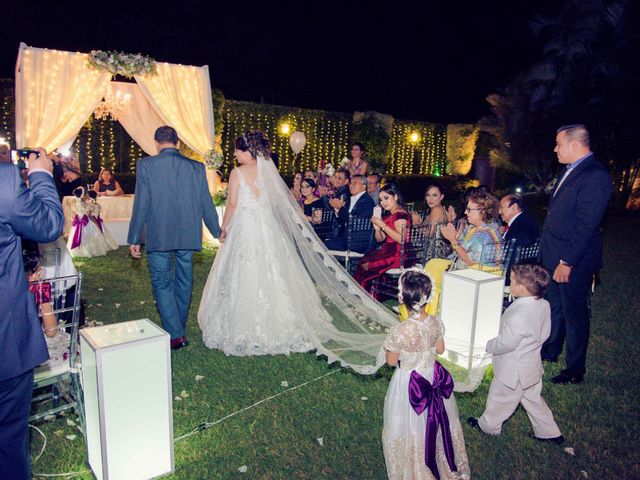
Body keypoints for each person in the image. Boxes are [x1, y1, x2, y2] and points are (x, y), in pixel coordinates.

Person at [197, 131, 397, 371]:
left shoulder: (237, 173)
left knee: (246, 270)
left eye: (238, 150)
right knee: (273, 270)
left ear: (249, 151)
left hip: (246, 227)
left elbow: (232, 204)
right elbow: (273, 203)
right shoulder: (266, 172)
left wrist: (224, 227)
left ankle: (248, 324)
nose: (235, 154)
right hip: (266, 228)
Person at [0, 147, 64, 480]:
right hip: (5, 342)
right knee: (10, 441)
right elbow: (50, 224)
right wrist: (40, 174)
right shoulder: (5, 182)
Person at [128, 126, 221, 350]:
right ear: (177, 143)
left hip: (159, 233)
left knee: (161, 280)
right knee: (184, 279)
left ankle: (175, 332)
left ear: (157, 143)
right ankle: (176, 328)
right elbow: (205, 202)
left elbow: (141, 203)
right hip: (187, 233)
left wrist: (134, 237)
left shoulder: (146, 165)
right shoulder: (196, 167)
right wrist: (217, 231)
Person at [540, 124, 612, 384]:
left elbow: (586, 225)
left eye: (559, 143)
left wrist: (567, 262)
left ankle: (574, 370)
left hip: (573, 260)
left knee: (575, 314)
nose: (555, 148)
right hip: (554, 253)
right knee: (555, 306)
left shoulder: (595, 175)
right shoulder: (570, 171)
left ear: (574, 144)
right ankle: (551, 350)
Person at [382, 269, 470, 480]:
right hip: (432, 376)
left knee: (408, 421)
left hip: (409, 382)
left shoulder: (400, 331)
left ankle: (414, 466)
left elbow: (391, 361)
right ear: (427, 297)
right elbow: (439, 350)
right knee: (439, 422)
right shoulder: (436, 322)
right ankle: (440, 460)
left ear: (402, 297)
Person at [468, 263, 564, 444]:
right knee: (533, 399)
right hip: (531, 366)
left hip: (513, 371)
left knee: (499, 399)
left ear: (522, 287)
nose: (509, 282)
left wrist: (490, 346)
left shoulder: (519, 314)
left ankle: (488, 427)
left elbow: (507, 342)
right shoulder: (543, 304)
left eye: (511, 281)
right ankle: (549, 431)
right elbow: (544, 332)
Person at [354, 182, 410, 296]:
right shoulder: (389, 215)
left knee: (366, 264)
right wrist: (377, 229)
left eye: (386, 198)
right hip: (388, 250)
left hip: (399, 253)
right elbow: (380, 239)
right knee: (363, 261)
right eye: (381, 200)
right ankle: (365, 293)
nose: (383, 202)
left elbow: (402, 239)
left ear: (395, 197)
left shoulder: (400, 215)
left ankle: (365, 294)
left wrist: (383, 225)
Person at [324, 174, 374, 252]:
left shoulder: (367, 201)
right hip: (346, 238)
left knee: (322, 245)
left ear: (364, 186)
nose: (351, 185)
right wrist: (337, 209)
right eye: (350, 183)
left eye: (355, 183)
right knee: (320, 242)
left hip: (357, 242)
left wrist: (340, 208)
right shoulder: (350, 200)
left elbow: (353, 221)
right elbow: (342, 221)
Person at [410, 183, 457, 259]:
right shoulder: (441, 209)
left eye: (434, 195)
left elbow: (429, 234)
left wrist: (418, 223)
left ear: (441, 197)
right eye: (428, 195)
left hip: (432, 255)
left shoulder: (436, 209)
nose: (430, 199)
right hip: (441, 253)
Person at [66, 187, 109, 258]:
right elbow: (90, 216)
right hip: (87, 224)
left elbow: (75, 215)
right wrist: (96, 224)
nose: (87, 194)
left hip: (78, 224)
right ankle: (90, 250)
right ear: (83, 195)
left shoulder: (75, 204)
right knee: (90, 237)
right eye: (86, 193)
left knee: (79, 236)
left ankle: (79, 251)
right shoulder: (87, 205)